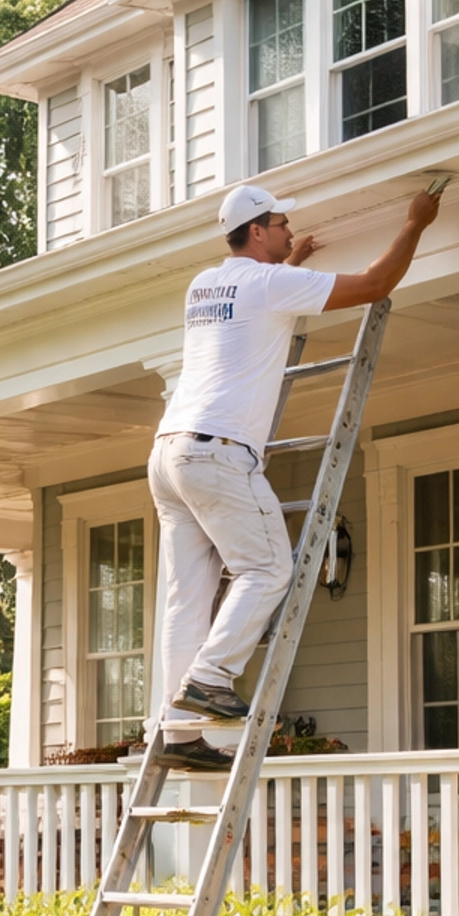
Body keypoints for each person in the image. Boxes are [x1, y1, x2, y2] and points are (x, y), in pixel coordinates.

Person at [150, 180, 442, 768]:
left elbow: (252, 303)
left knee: (188, 599)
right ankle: (211, 678)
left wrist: (292, 263)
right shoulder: (269, 285)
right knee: (267, 568)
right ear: (257, 231)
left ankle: (178, 735)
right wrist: (415, 223)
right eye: (281, 224)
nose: (290, 230)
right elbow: (375, 284)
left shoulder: (204, 285)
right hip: (217, 451)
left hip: (168, 454)